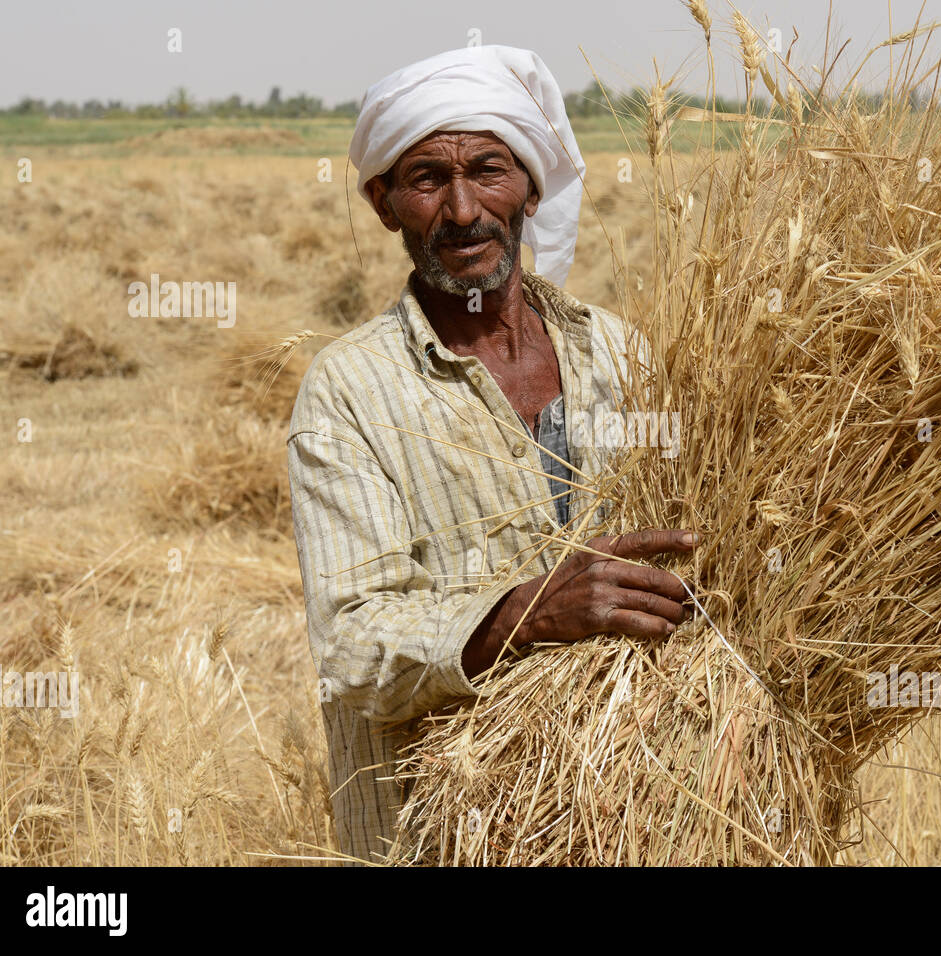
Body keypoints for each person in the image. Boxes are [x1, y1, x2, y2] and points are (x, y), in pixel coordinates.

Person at [287, 45, 694, 863]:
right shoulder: (348, 392)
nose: (464, 208)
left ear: (531, 187)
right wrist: (525, 614)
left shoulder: (623, 355)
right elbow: (355, 647)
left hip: (636, 817)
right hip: (440, 832)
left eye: (489, 170)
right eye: (429, 180)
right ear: (384, 202)